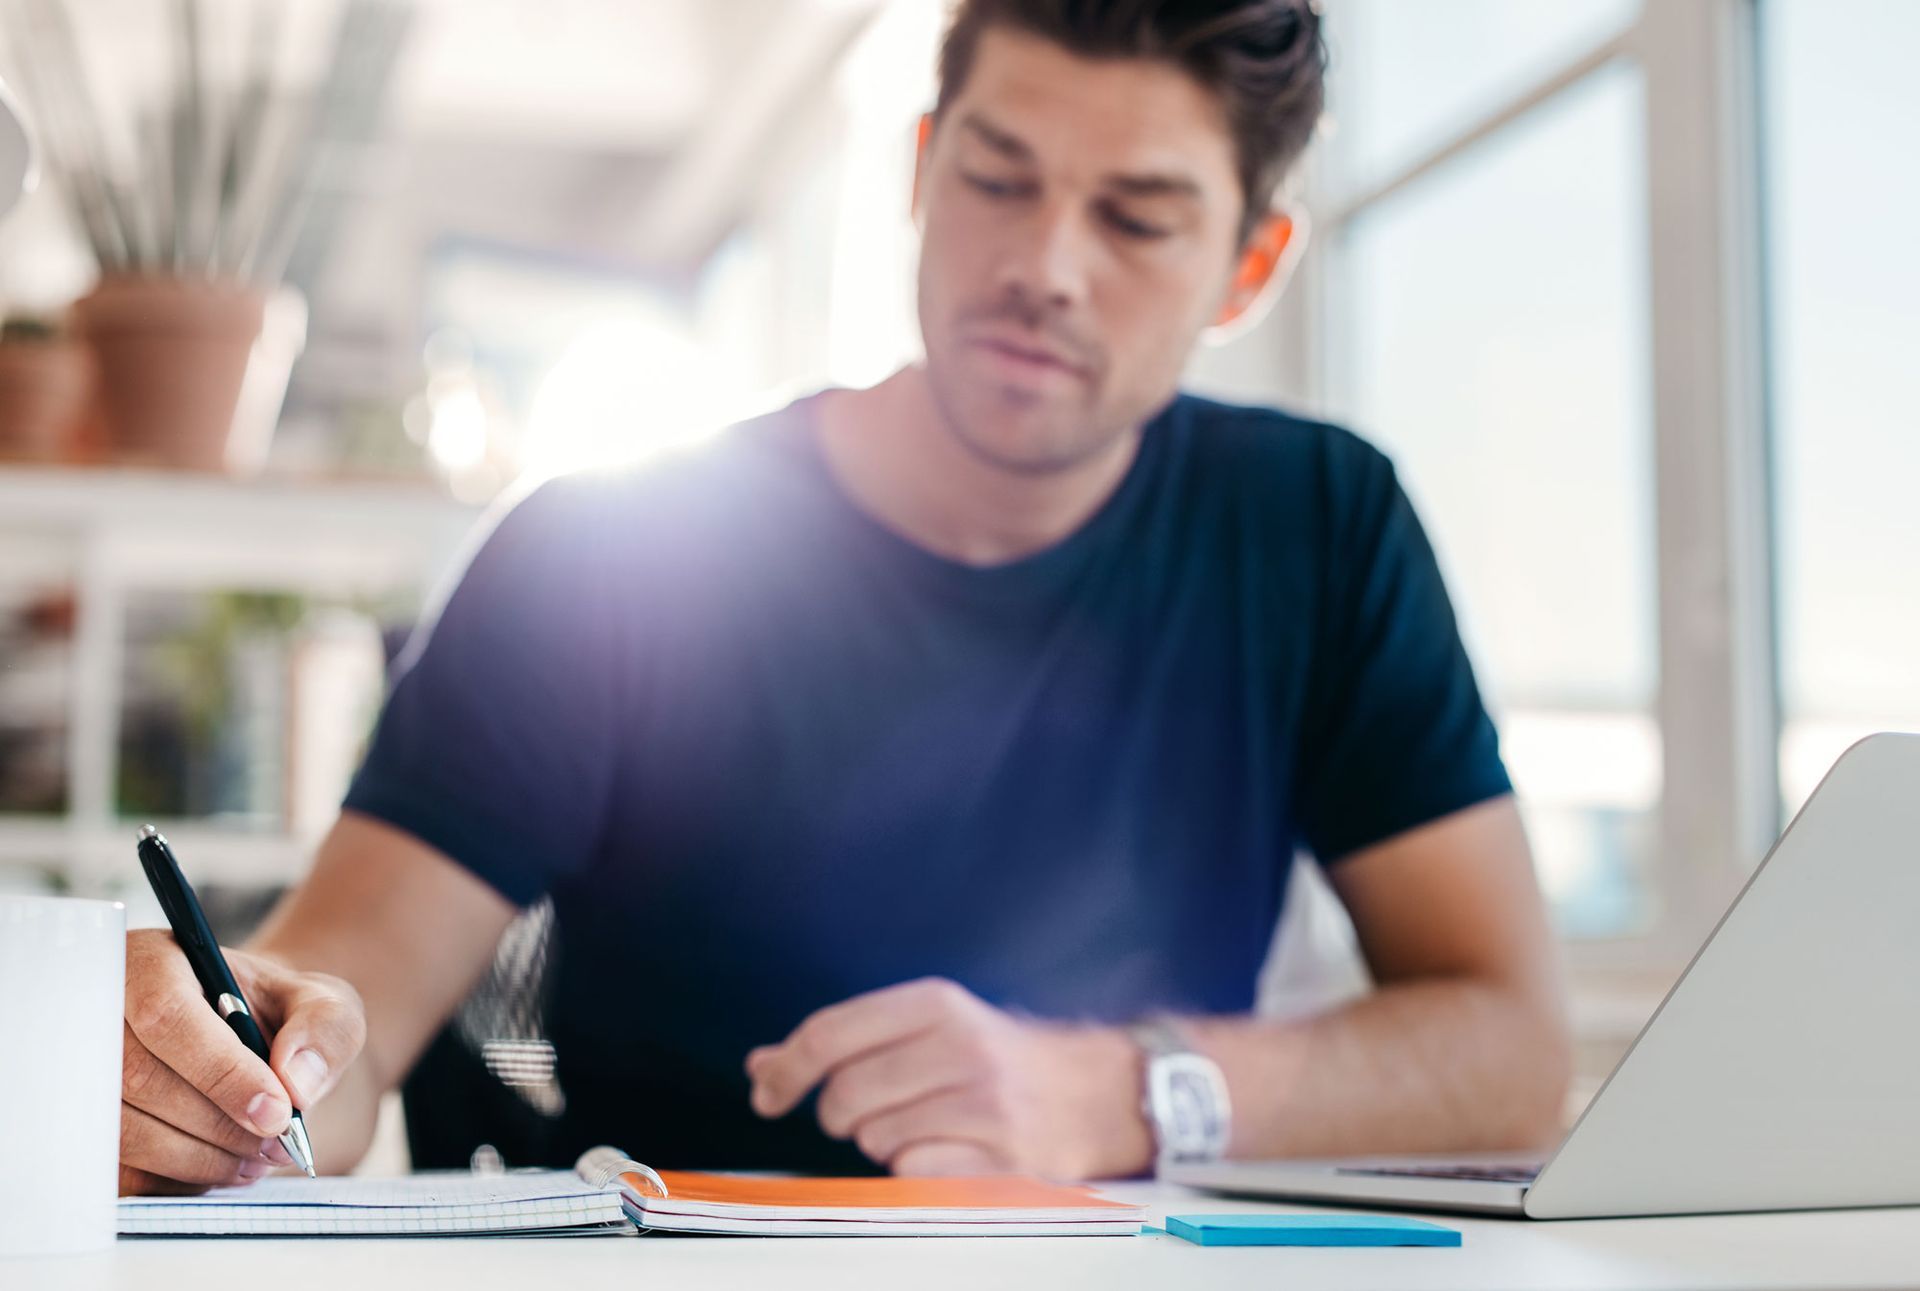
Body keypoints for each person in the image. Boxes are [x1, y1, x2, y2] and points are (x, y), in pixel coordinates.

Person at [117, 0, 1571, 1196]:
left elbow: (1509, 1052)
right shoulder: (605, 552)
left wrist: (1124, 1093)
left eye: (1136, 220)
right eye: (998, 179)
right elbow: (341, 1015)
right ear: (922, 172)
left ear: (1248, 265)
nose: (1044, 268)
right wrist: (237, 1066)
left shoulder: (1319, 528)